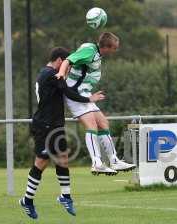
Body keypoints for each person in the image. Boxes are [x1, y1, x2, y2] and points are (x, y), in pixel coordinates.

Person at [19, 47, 105, 219]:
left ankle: (65, 196)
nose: (67, 68)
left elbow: (64, 90)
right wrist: (89, 99)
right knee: (41, 162)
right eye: (66, 64)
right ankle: (27, 200)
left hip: (55, 124)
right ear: (59, 60)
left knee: (63, 158)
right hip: (44, 125)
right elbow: (68, 92)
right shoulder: (50, 74)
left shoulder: (50, 73)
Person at [56, 32, 135, 175]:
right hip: (75, 94)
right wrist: (61, 73)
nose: (115, 51)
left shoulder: (96, 53)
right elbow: (68, 60)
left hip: (84, 93)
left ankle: (114, 161)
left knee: (103, 123)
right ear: (107, 47)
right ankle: (96, 163)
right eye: (114, 48)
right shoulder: (89, 51)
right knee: (91, 125)